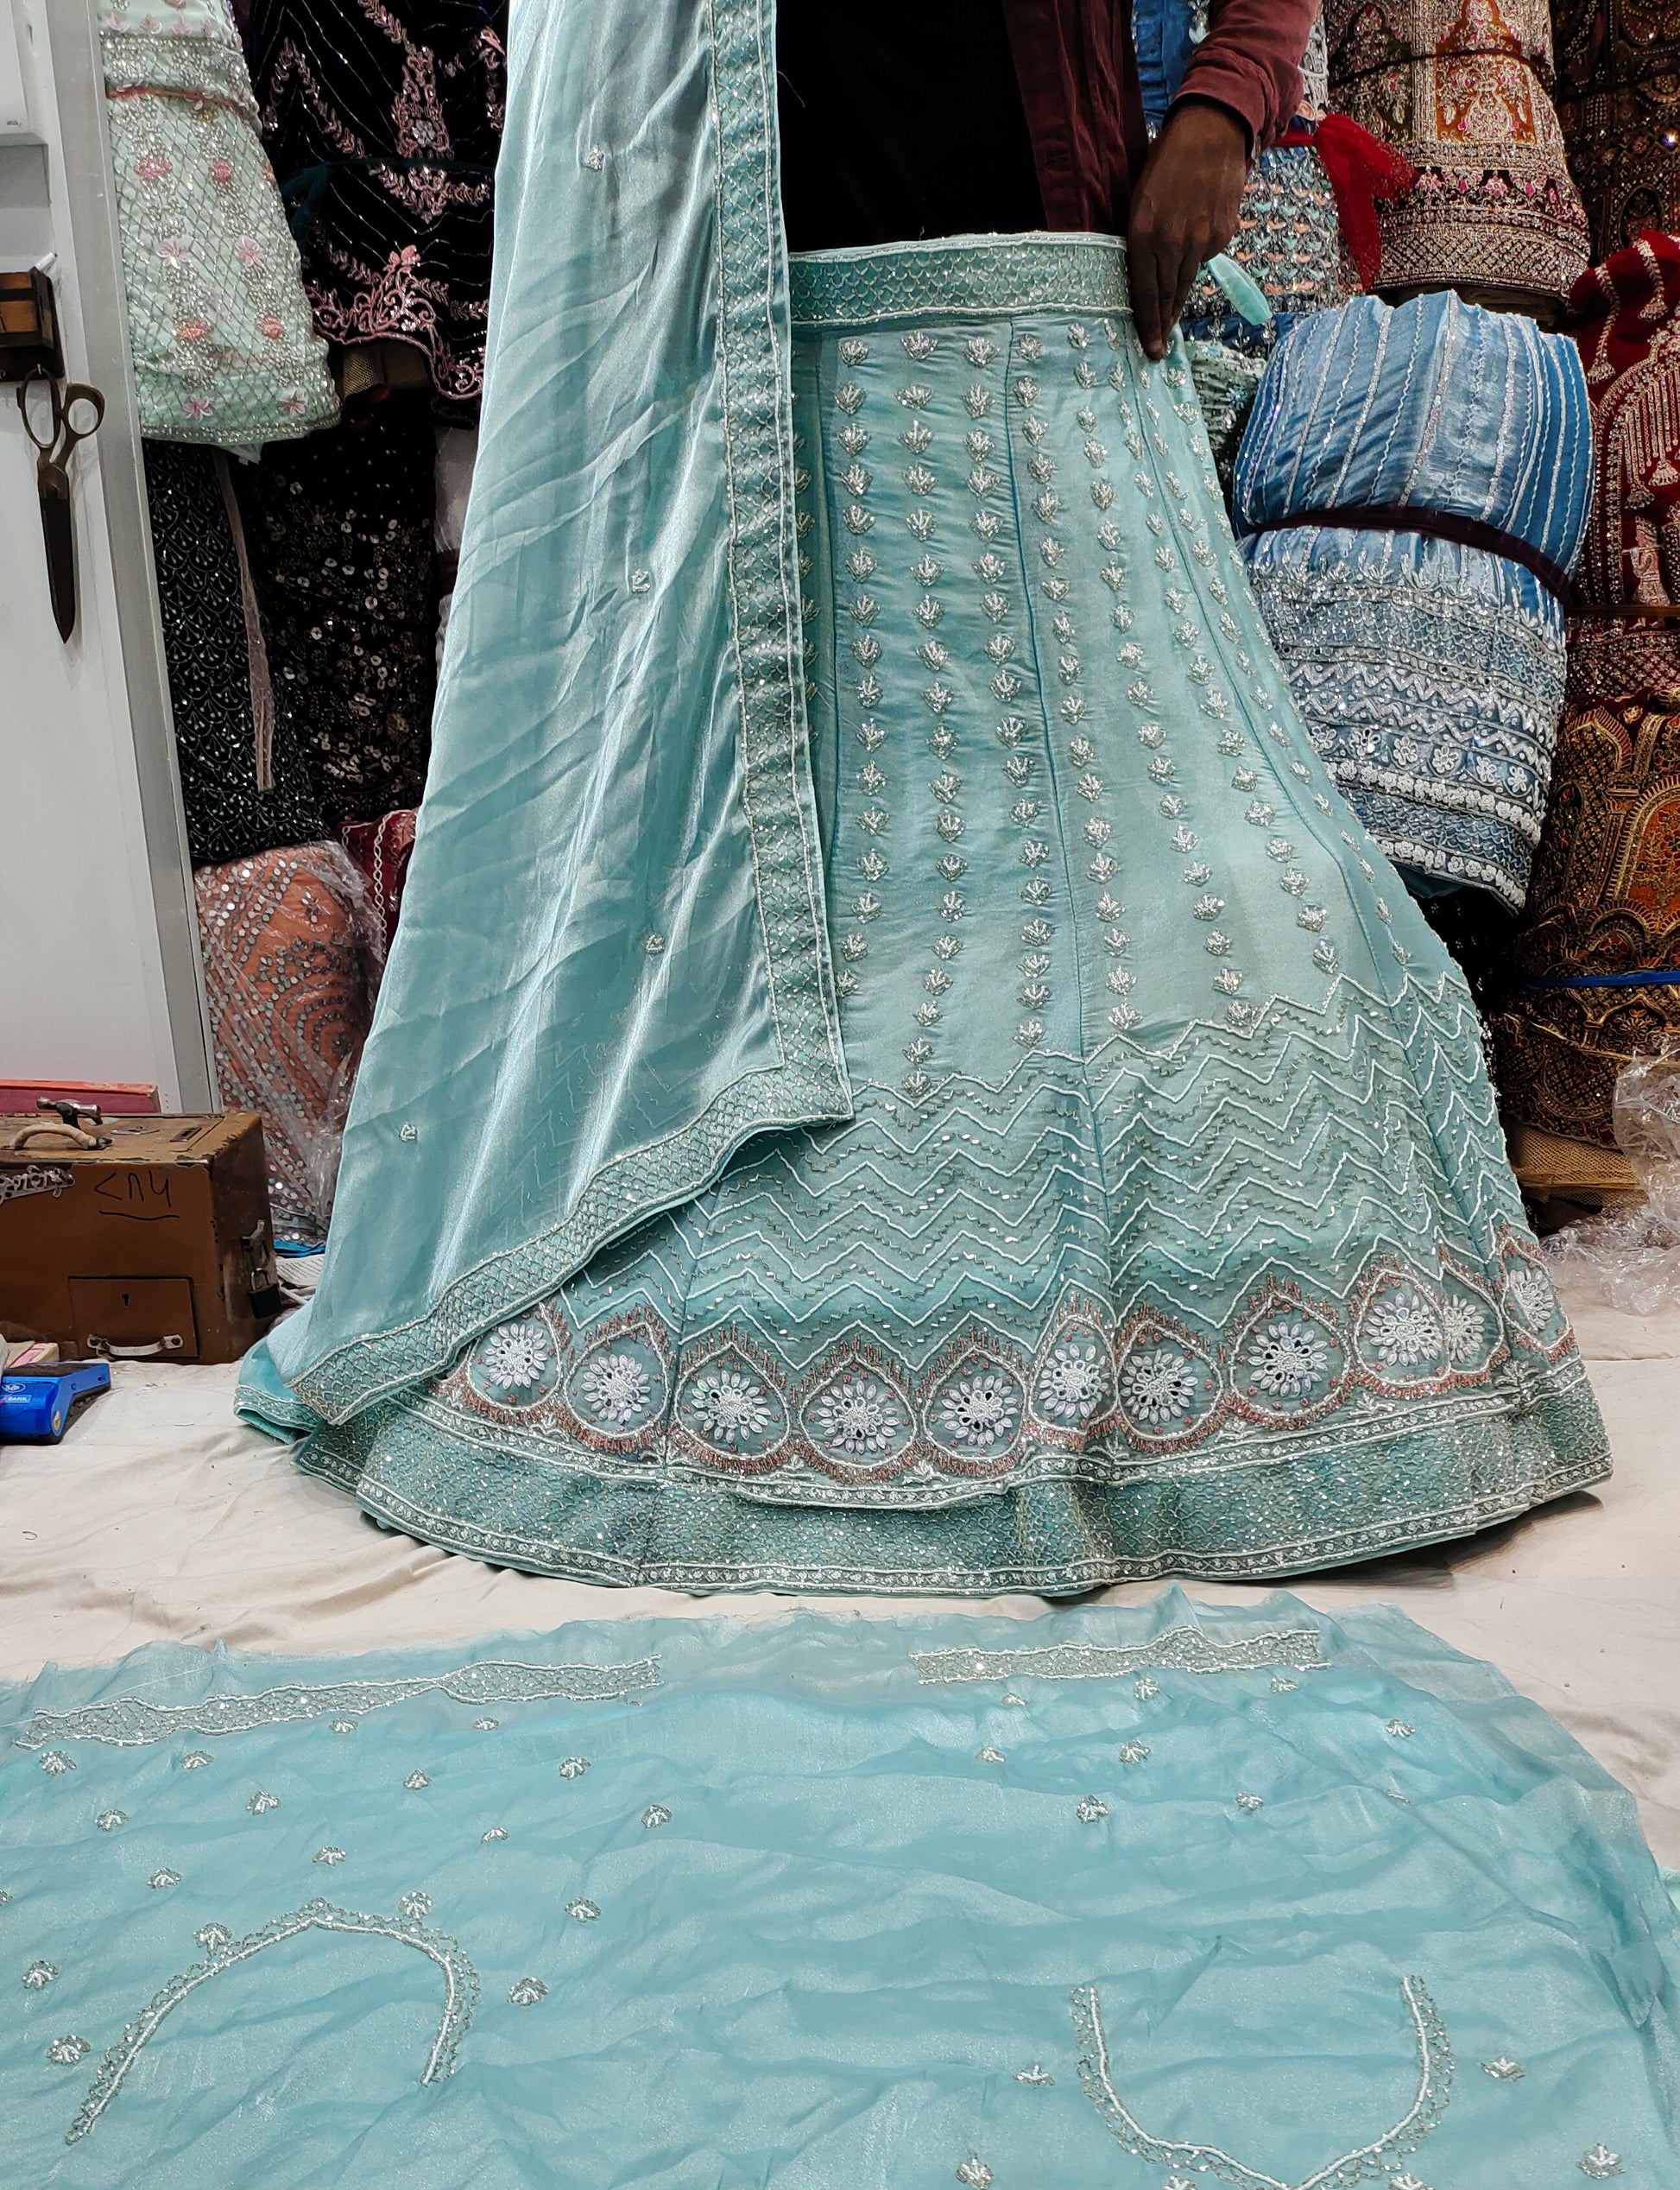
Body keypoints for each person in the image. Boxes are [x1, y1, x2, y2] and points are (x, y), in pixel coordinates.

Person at [239, 0, 1609, 1589]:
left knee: (1191, 877)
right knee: (813, 908)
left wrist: (1227, 101)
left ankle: (1250, 1379)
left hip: (1056, 303)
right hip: (753, 355)